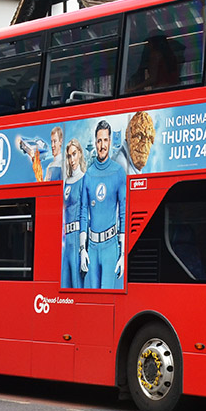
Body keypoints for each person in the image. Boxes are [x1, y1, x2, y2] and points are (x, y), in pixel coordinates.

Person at [80, 120, 127, 289]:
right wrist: (82, 249)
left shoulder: (118, 172)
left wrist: (122, 254)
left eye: (105, 140)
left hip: (110, 246)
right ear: (95, 142)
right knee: (90, 302)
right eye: (99, 141)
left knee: (108, 298)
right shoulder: (89, 174)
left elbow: (123, 212)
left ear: (110, 141)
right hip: (91, 247)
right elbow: (83, 212)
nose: (102, 145)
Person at [61, 138, 87, 289]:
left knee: (77, 286)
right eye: (69, 156)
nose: (72, 159)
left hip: (77, 237)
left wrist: (83, 248)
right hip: (66, 240)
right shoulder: (66, 182)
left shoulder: (84, 179)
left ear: (80, 154)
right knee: (64, 286)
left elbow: (85, 213)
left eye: (74, 154)